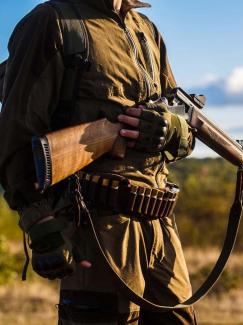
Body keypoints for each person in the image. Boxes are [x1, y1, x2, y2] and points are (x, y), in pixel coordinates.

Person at [0, 0, 197, 324]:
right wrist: (40, 222)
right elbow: (16, 134)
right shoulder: (52, 21)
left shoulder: (146, 30)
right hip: (96, 224)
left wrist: (174, 131)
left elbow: (179, 121)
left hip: (159, 221)